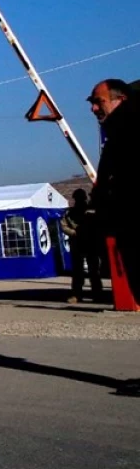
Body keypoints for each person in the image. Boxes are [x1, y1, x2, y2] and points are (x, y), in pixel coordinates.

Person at [89, 79, 139, 305]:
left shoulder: (129, 131)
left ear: (121, 100)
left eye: (99, 102)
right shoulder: (117, 133)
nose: (94, 108)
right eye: (92, 102)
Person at [62, 189, 104, 304]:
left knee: (94, 271)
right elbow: (64, 226)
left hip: (91, 243)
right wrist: (74, 233)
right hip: (77, 243)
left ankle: (97, 294)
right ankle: (77, 294)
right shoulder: (70, 213)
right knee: (77, 271)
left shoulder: (92, 211)